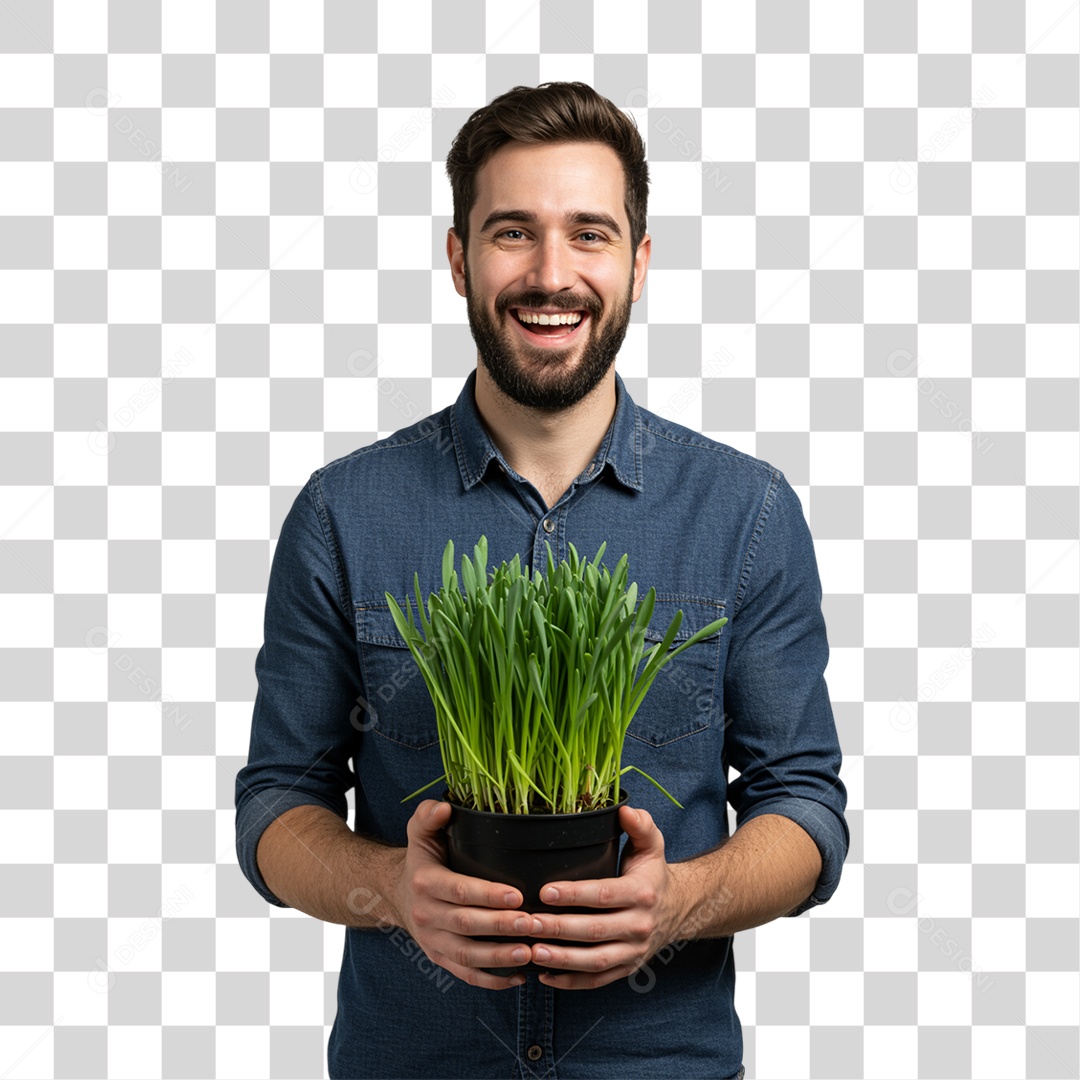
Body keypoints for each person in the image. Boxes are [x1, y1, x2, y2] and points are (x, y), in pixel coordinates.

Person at [236, 81, 848, 1080]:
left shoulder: (747, 513)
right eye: (513, 232)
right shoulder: (344, 513)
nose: (551, 274)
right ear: (459, 259)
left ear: (639, 263)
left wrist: (675, 904)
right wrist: (393, 886)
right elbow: (275, 805)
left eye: (591, 235)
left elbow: (806, 809)